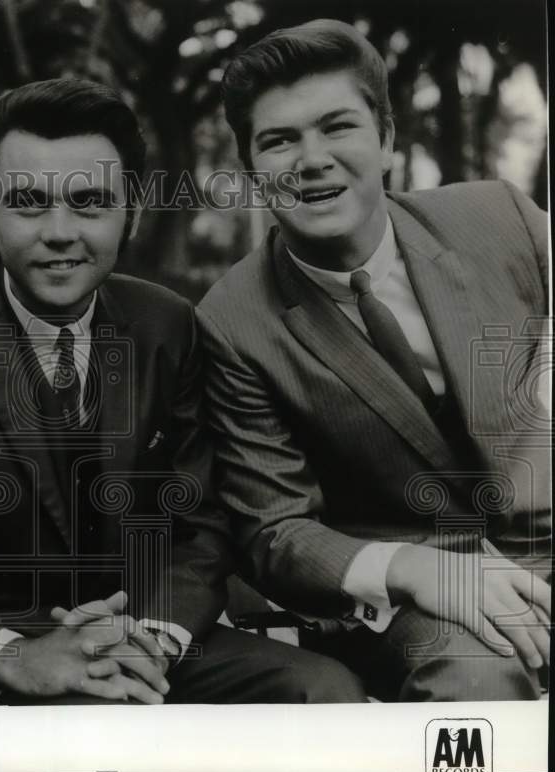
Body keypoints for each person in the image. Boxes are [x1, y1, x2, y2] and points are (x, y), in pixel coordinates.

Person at [0, 78, 366, 706]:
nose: (60, 232)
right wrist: (12, 655)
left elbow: (202, 520)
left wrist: (150, 637)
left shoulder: (166, 324)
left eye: (90, 202)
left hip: (143, 640)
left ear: (133, 210)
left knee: (322, 692)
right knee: (84, 726)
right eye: (29, 202)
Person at [198, 19, 551, 701]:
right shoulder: (232, 321)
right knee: (476, 684)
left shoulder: (500, 217)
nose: (311, 159)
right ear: (250, 170)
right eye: (279, 140)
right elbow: (275, 530)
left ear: (386, 140)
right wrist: (419, 570)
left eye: (337, 127)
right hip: (416, 598)